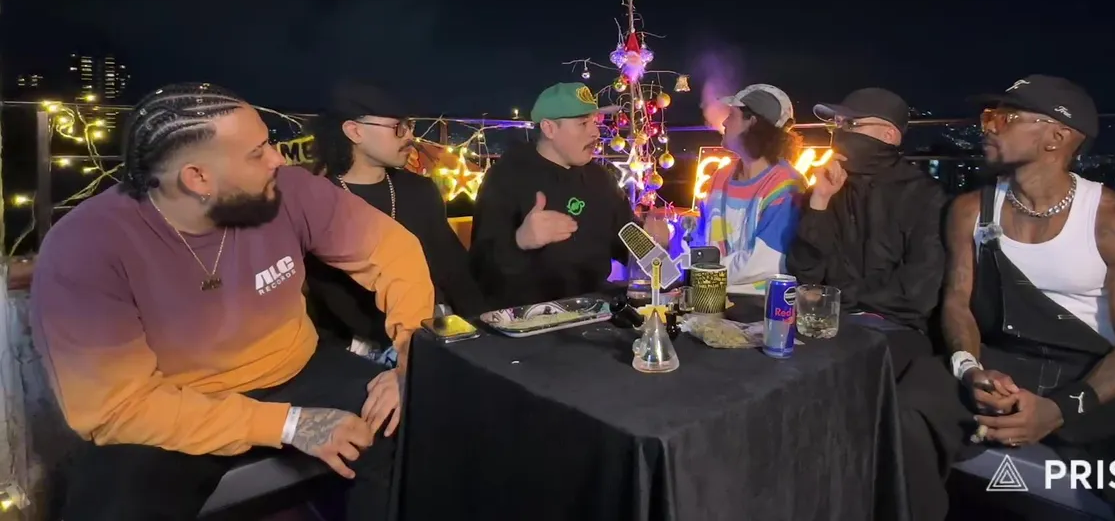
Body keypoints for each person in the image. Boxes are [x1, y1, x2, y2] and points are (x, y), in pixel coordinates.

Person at [30, 83, 436, 521]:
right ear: (198, 178)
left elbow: (392, 251)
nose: (278, 159)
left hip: (296, 368)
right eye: (257, 152)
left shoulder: (289, 191)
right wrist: (288, 424)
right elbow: (116, 408)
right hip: (175, 403)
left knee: (417, 422)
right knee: (112, 506)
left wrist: (409, 358)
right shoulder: (85, 246)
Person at [940, 75, 1115, 520]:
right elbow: (958, 301)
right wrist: (970, 369)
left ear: (1056, 137)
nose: (988, 128)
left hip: (1090, 378)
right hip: (998, 363)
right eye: (987, 117)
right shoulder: (969, 211)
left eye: (1003, 118)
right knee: (905, 407)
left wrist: (1058, 410)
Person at [784, 87, 958, 521]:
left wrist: (840, 295)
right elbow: (806, 272)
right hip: (832, 322)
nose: (838, 133)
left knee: (833, 379)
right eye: (835, 125)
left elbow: (916, 295)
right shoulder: (832, 187)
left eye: (850, 125)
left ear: (888, 135)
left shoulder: (928, 198)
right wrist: (819, 202)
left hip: (898, 332)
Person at [306, 81, 486, 363]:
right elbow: (325, 298)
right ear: (354, 131)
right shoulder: (315, 202)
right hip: (354, 355)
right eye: (398, 127)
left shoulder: (420, 190)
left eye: (410, 125)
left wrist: (484, 331)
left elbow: (453, 270)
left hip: (432, 336)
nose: (410, 136)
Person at [470, 82, 670, 310]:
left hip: (596, 309)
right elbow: (480, 271)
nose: (595, 132)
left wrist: (654, 244)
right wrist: (520, 241)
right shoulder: (507, 177)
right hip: (527, 315)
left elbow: (628, 245)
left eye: (595, 122)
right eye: (583, 123)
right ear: (549, 128)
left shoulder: (600, 179)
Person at [693, 84, 805, 288]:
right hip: (707, 298)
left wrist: (698, 272)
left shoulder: (787, 186)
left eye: (732, 115)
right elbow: (702, 239)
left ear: (752, 122)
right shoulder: (720, 177)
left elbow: (765, 262)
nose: (724, 122)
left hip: (760, 304)